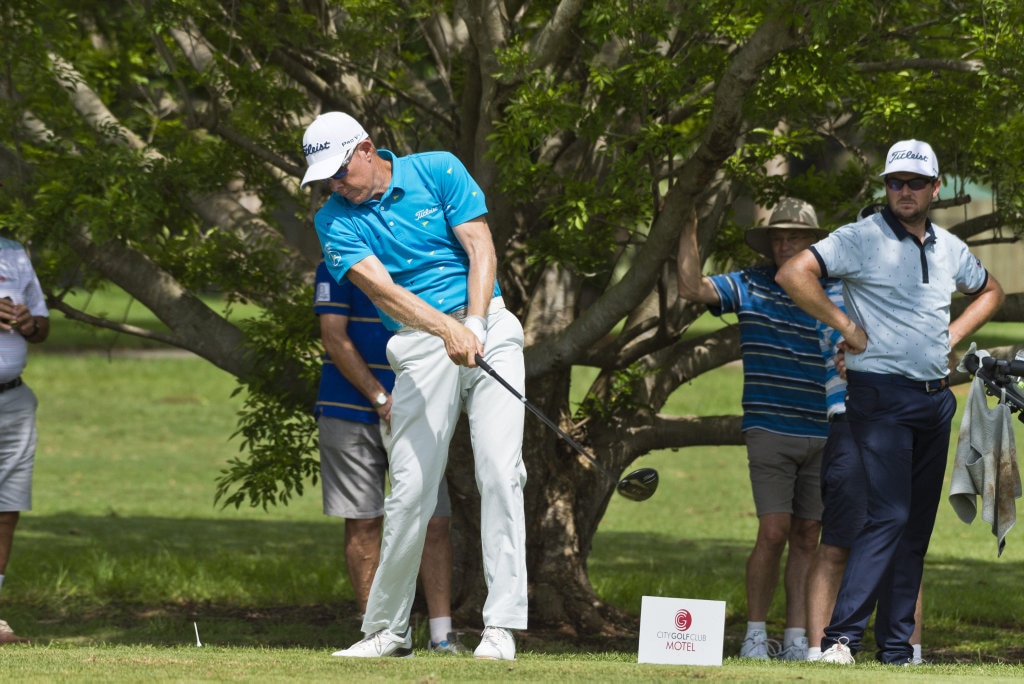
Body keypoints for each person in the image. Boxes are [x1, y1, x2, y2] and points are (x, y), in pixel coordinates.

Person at [300, 112, 527, 661]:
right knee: (410, 487)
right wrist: (447, 329)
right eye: (324, 178)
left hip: (488, 323)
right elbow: (383, 292)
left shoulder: (439, 170)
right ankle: (387, 629)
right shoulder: (333, 219)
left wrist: (472, 325)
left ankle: (500, 628)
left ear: (367, 150)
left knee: (500, 469)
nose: (334, 185)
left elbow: (481, 249)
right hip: (421, 341)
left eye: (338, 172)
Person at [777, 139, 1005, 665]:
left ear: (935, 188)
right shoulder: (861, 238)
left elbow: (990, 290)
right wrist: (847, 326)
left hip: (934, 401)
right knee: (890, 515)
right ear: (885, 186)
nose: (904, 191)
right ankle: (841, 640)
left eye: (915, 183)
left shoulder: (948, 247)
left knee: (916, 529)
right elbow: (794, 273)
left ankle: (898, 650)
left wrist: (952, 336)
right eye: (895, 182)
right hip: (878, 395)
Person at [677, 199, 840, 661]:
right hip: (770, 426)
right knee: (774, 530)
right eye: (778, 237)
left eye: (795, 236)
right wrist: (687, 219)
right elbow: (691, 287)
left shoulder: (836, 290)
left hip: (825, 427)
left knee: (809, 533)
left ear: (814, 243)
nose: (785, 243)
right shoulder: (749, 283)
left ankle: (794, 639)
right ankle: (753, 635)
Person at [313, 260, 467, 654]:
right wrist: (381, 398)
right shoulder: (338, 264)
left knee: (433, 520)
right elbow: (333, 336)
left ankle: (441, 636)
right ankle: (378, 634)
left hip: (420, 404)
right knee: (364, 524)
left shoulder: (423, 261)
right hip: (349, 407)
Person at [804, 287, 924, 663]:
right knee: (838, 542)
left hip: (907, 424)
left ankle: (909, 652)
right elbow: (846, 355)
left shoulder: (914, 290)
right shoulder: (833, 293)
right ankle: (820, 652)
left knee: (906, 545)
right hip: (851, 423)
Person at [0, 236, 50, 645]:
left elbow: (43, 325)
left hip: (14, 399)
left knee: (6, 510)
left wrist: (29, 323)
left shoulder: (14, 252)